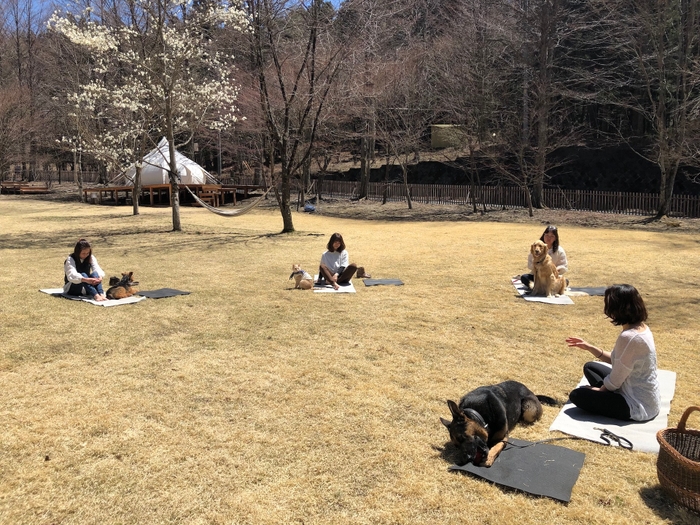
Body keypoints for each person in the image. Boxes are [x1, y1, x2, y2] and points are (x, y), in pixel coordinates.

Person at [566, 284, 660, 421]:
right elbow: (618, 361)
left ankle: (603, 395)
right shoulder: (642, 328)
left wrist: (600, 391)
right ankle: (603, 394)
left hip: (637, 404)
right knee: (590, 367)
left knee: (577, 395)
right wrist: (590, 347)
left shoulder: (630, 337)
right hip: (641, 394)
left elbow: (616, 378)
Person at [520, 225, 568, 290]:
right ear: (543, 235)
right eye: (547, 235)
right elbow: (530, 263)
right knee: (524, 277)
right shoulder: (536, 247)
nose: (549, 238)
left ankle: (549, 287)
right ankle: (537, 287)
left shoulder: (559, 250)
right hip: (538, 276)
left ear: (555, 238)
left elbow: (563, 265)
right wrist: (538, 267)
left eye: (552, 236)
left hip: (552, 276)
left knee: (565, 281)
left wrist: (556, 269)